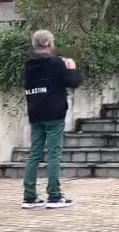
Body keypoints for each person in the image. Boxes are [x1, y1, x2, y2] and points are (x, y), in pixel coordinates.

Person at [22, 29, 81, 209]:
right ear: (48, 44)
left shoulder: (28, 66)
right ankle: (54, 196)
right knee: (54, 153)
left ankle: (29, 197)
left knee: (35, 154)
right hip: (54, 113)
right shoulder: (57, 63)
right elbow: (74, 83)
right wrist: (71, 67)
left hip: (35, 113)